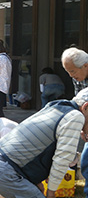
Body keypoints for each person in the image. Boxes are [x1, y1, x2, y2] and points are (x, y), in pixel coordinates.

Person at [0, 87, 88, 198]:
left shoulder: (55, 106)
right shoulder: (75, 116)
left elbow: (32, 147)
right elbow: (62, 158)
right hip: (3, 169)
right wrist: (51, 193)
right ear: (86, 107)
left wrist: (37, 183)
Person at [61, 47, 88, 197]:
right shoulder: (77, 77)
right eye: (68, 72)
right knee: (85, 161)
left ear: (85, 65)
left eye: (73, 71)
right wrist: (83, 129)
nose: (71, 75)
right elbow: (80, 105)